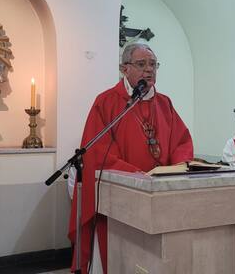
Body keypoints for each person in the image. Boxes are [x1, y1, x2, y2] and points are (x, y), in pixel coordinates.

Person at [68, 43, 194, 274]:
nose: (149, 70)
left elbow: (181, 141)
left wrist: (176, 167)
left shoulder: (164, 103)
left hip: (161, 192)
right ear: (124, 68)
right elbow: (99, 150)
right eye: (141, 64)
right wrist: (138, 176)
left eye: (153, 64)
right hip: (123, 193)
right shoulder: (106, 101)